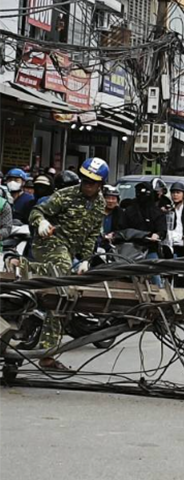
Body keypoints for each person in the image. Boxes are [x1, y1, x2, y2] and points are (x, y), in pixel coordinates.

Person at [28, 157, 108, 370]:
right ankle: (26, 269)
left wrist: (85, 260)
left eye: (92, 182)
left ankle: (48, 353)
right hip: (49, 244)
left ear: (100, 184)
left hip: (70, 252)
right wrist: (41, 222)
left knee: (67, 297)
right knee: (62, 287)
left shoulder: (100, 204)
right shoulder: (65, 195)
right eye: (85, 180)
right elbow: (36, 211)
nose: (87, 185)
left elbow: (92, 235)